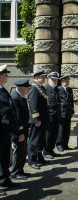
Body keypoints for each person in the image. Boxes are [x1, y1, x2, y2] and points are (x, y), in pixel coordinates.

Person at [0, 65, 20, 196]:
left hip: (5, 131)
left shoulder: (3, 90)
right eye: (5, 74)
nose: (7, 76)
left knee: (4, 157)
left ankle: (4, 178)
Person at [27, 69, 49, 169]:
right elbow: (33, 105)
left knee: (41, 140)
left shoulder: (41, 88)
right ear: (36, 78)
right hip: (37, 119)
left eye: (44, 77)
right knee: (34, 141)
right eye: (42, 77)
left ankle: (39, 158)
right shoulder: (33, 88)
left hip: (43, 118)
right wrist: (36, 119)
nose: (44, 78)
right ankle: (32, 161)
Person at [10, 79, 31, 180]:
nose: (28, 89)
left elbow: (25, 116)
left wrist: (28, 127)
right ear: (22, 87)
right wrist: (21, 132)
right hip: (19, 132)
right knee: (18, 151)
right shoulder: (15, 98)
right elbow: (17, 118)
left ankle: (20, 170)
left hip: (24, 130)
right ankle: (15, 172)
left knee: (23, 152)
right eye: (27, 87)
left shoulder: (21, 97)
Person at [43, 72, 60, 159]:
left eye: (56, 80)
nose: (54, 81)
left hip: (56, 115)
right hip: (49, 116)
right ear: (48, 79)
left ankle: (51, 150)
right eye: (53, 79)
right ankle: (46, 151)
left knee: (54, 134)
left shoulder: (57, 89)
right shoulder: (46, 89)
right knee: (48, 135)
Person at [56, 75, 74, 152]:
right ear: (62, 82)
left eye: (68, 81)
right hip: (61, 112)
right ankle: (59, 144)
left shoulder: (69, 90)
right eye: (65, 81)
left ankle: (65, 144)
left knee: (67, 129)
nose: (67, 82)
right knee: (61, 129)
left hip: (68, 112)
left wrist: (72, 111)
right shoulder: (58, 89)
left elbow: (71, 101)